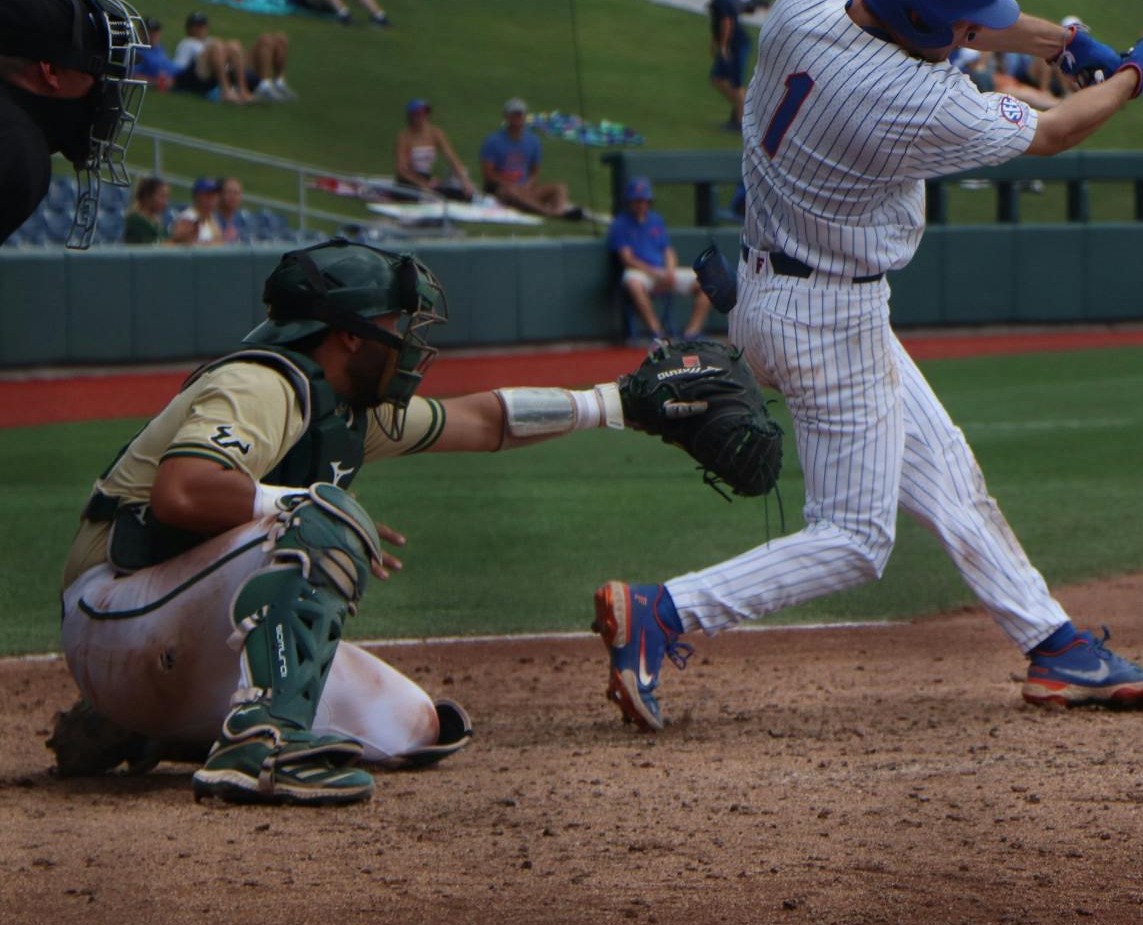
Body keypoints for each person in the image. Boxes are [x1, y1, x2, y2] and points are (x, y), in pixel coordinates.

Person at [589, 0, 1143, 729]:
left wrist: (1064, 42)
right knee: (854, 538)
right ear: (925, 23)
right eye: (964, 25)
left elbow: (956, 22)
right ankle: (664, 611)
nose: (974, 34)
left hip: (786, 290)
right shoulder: (909, 99)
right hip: (826, 318)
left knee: (946, 470)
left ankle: (1056, 645)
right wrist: (1133, 78)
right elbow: (1050, 130)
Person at [48, 237, 693, 805]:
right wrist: (302, 507)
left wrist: (615, 404)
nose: (408, 339)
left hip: (183, 645)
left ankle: (152, 726)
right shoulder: (261, 385)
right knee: (322, 517)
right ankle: (262, 748)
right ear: (351, 333)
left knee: (414, 727)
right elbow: (181, 492)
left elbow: (482, 421)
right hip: (113, 609)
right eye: (396, 321)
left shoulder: (348, 409)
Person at [606, 177, 712, 343]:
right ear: (630, 202)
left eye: (644, 201)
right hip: (640, 272)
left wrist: (669, 271)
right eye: (637, 201)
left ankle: (691, 332)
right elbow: (627, 259)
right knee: (633, 283)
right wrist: (654, 273)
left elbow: (668, 251)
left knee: (707, 281)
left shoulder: (656, 219)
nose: (641, 205)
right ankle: (657, 333)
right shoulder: (620, 224)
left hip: (663, 271)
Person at [480, 97, 582, 220]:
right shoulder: (493, 141)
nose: (518, 118)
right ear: (506, 117)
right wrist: (509, 184)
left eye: (520, 114)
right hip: (504, 190)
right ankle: (552, 213)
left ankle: (558, 210)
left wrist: (528, 185)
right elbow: (489, 175)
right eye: (514, 115)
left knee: (560, 188)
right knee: (509, 192)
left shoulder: (533, 141)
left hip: (525, 189)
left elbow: (534, 172)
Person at [695, 0, 751, 131]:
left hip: (736, 45)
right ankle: (742, 110)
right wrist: (715, 42)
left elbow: (727, 22)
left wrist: (724, 45)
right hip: (731, 44)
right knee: (717, 78)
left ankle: (741, 120)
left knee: (735, 83)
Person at [394, 99, 474, 200]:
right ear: (411, 116)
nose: (422, 117)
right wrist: (423, 184)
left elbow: (451, 158)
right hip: (410, 181)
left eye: (425, 113)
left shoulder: (435, 133)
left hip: (426, 177)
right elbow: (402, 170)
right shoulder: (404, 138)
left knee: (461, 195)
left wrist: (464, 180)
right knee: (424, 196)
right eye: (418, 114)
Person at [171, 176, 226, 245]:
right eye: (208, 195)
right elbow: (182, 245)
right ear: (197, 196)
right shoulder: (187, 217)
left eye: (215, 195)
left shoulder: (212, 218)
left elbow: (220, 243)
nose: (213, 199)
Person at [123, 175, 169, 244]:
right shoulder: (135, 219)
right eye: (162, 196)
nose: (166, 201)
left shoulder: (157, 222)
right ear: (147, 196)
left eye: (167, 197)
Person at [215, 175, 248, 244]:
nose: (233, 197)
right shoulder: (211, 219)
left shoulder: (243, 219)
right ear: (219, 195)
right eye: (229, 192)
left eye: (236, 193)